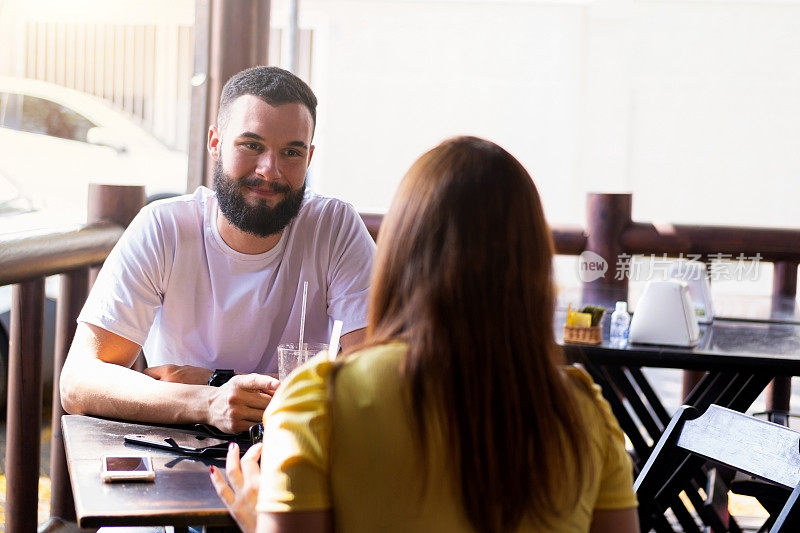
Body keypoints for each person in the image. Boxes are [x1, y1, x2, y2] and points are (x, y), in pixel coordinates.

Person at [210, 136, 639, 532]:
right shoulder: (584, 414)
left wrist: (257, 523)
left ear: (400, 250)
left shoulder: (316, 402)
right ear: (533, 264)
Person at [60, 66, 375, 434]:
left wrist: (215, 380)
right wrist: (208, 402)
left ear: (309, 158)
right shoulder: (164, 227)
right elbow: (79, 382)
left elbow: (370, 374)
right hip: (179, 448)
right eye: (251, 145)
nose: (269, 171)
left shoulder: (334, 226)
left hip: (295, 451)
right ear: (215, 143)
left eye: (291, 151)